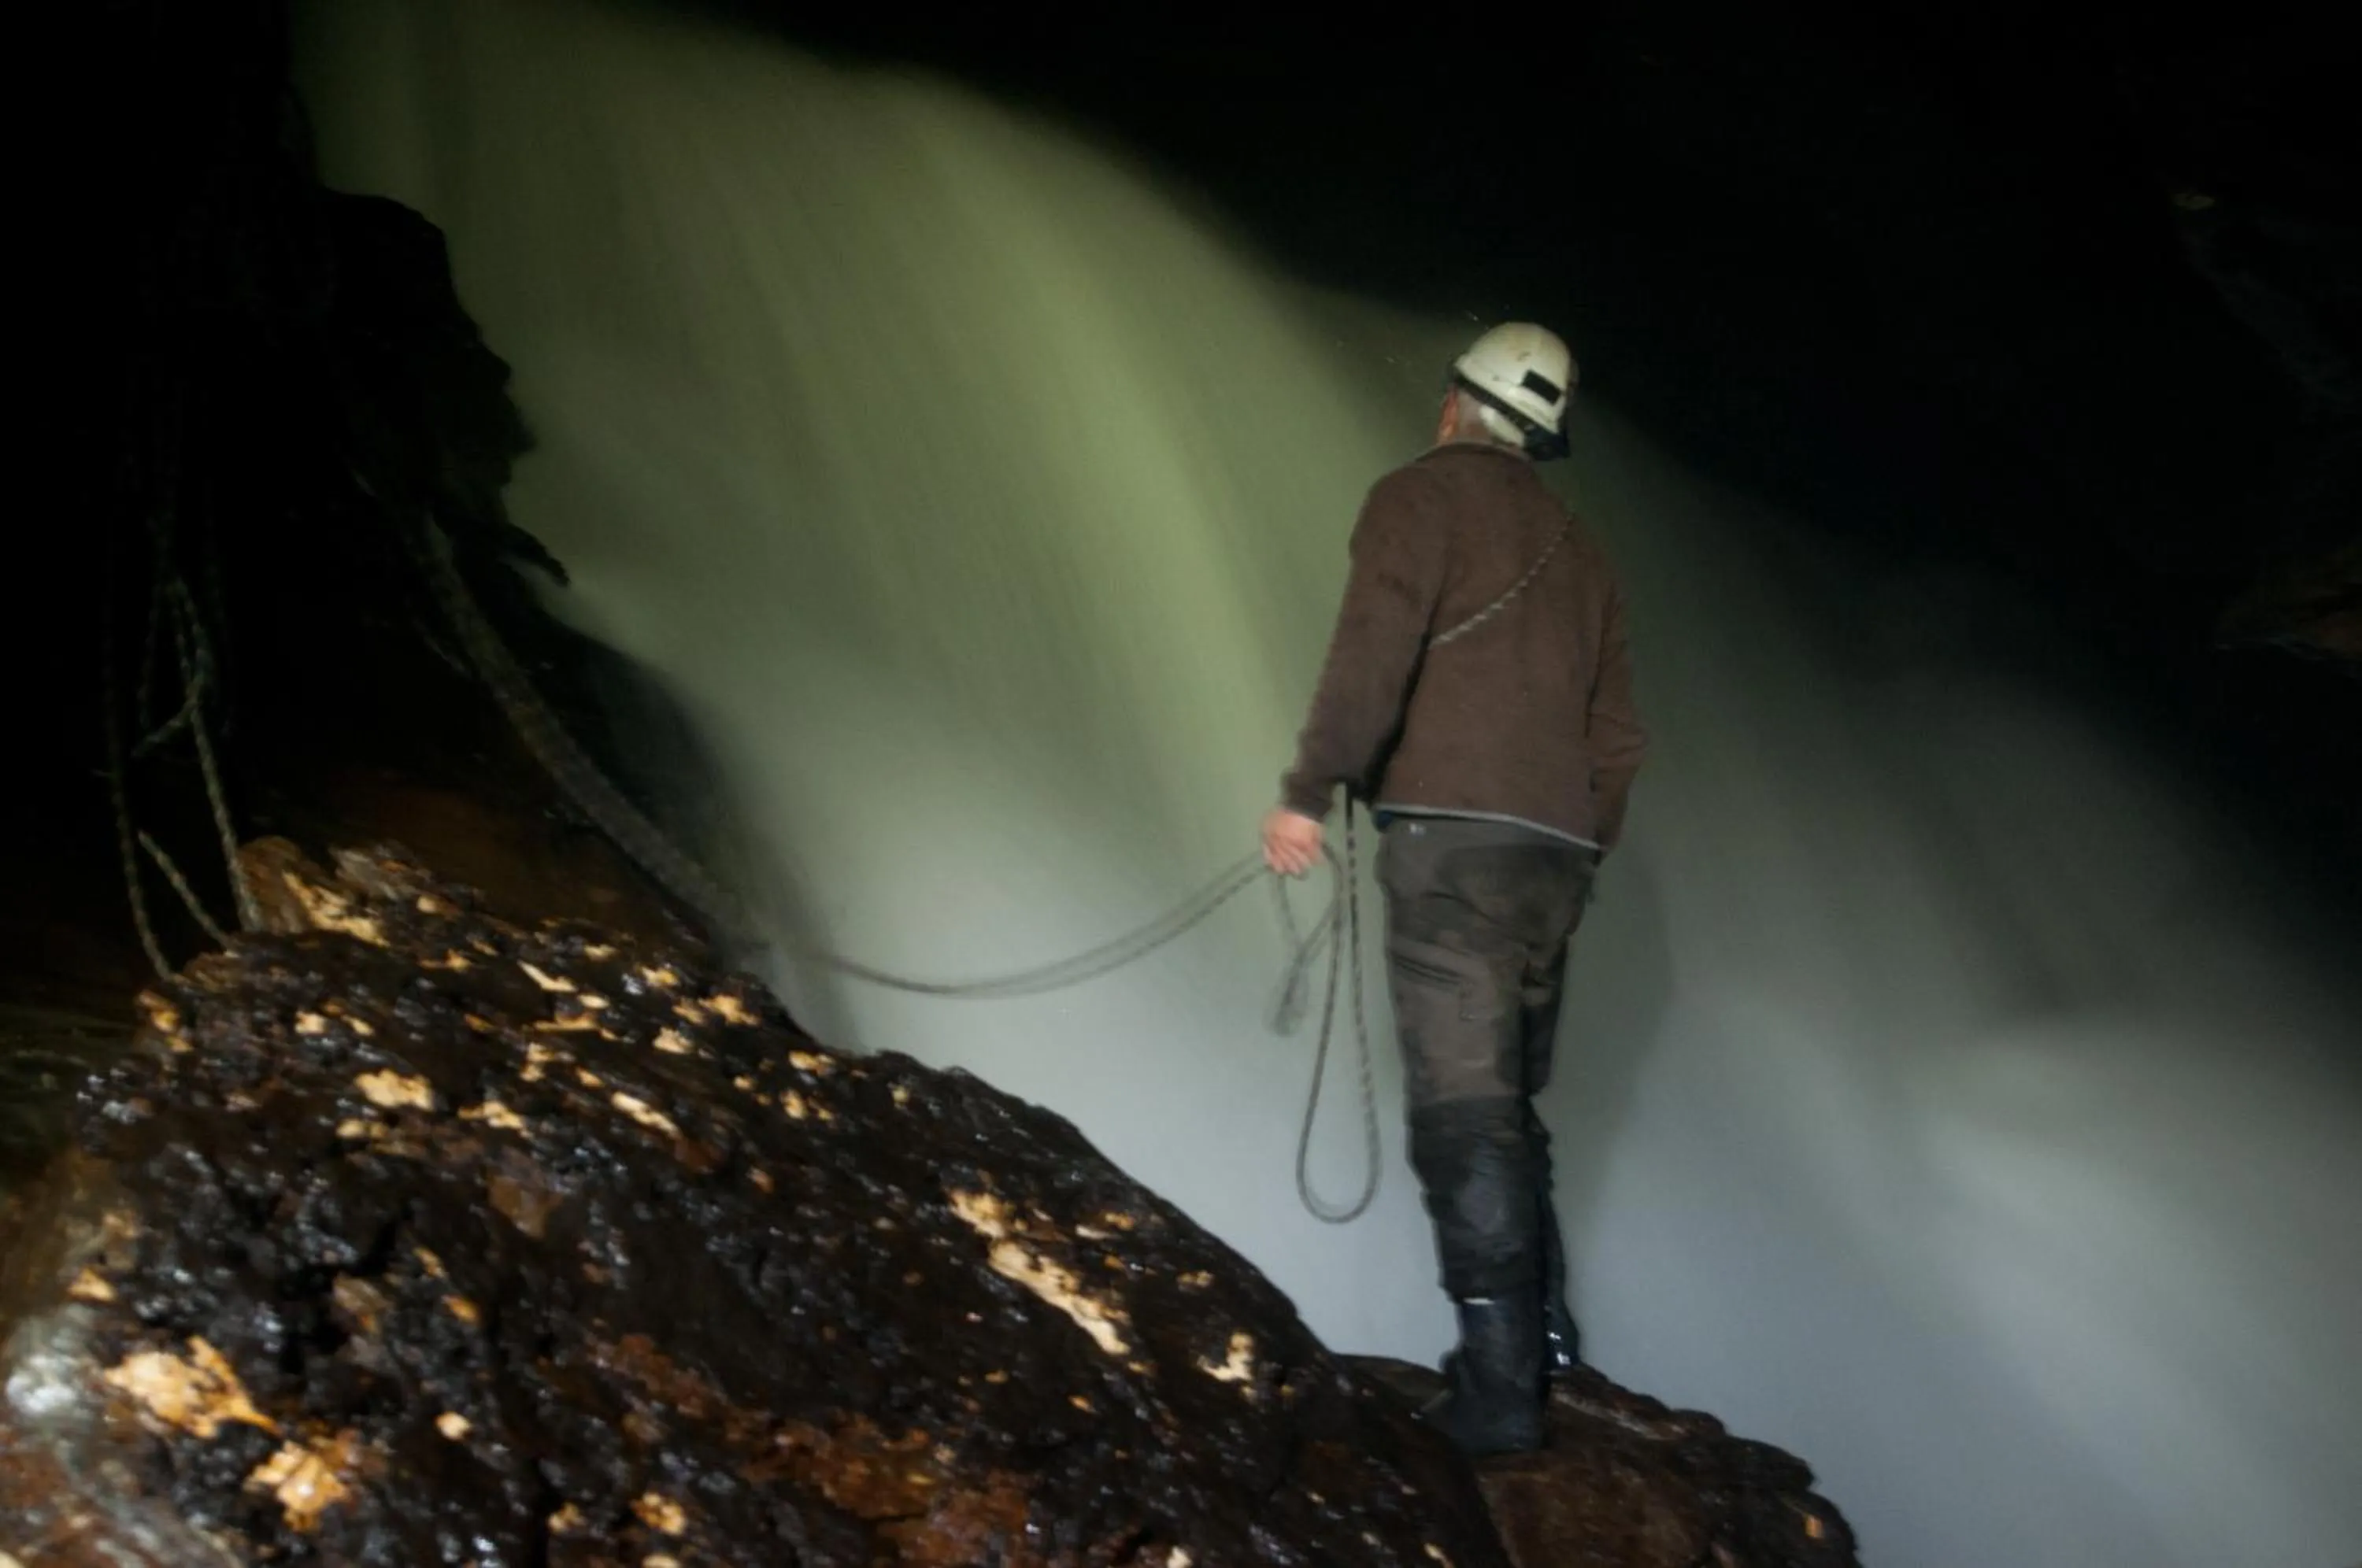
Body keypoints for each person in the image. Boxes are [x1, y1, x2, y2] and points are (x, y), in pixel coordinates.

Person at [1261, 323, 1646, 1456]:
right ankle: (1551, 1339)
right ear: (1538, 439)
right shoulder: (1585, 555)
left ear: (1450, 407)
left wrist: (1308, 789)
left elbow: (1370, 653)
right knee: (1509, 1103)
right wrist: (1578, 846)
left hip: (1452, 849)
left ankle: (1499, 1393)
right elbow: (1618, 740)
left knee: (1462, 1112)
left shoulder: (1416, 501)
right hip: (1554, 862)